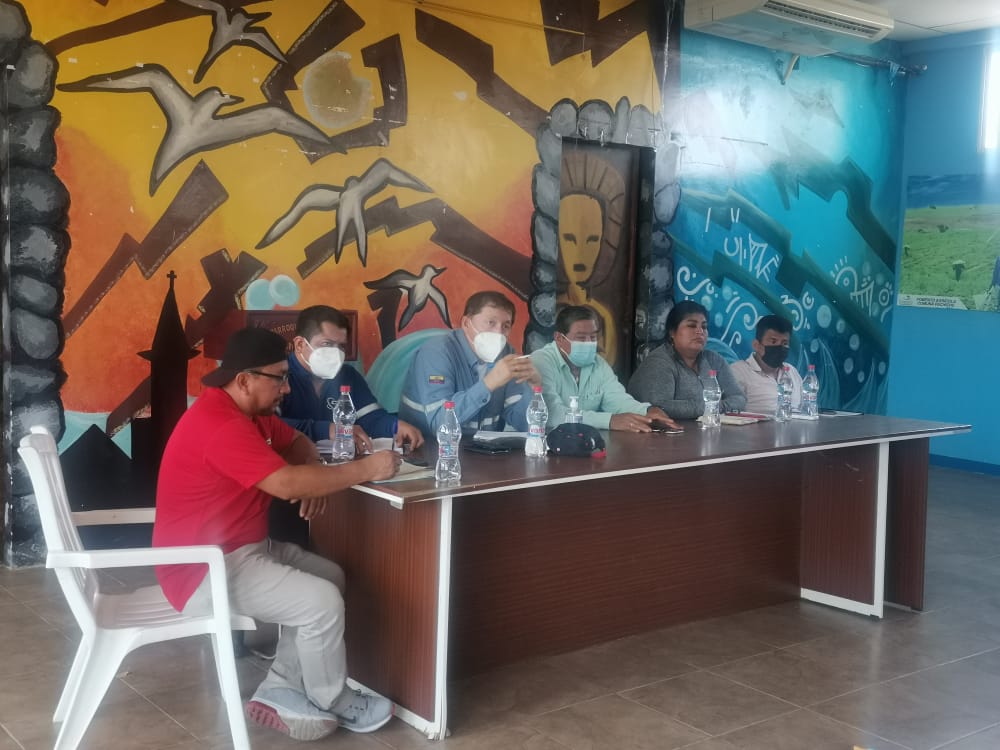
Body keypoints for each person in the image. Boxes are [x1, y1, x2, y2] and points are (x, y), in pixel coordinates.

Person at [153, 327, 402, 742]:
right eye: (279, 378)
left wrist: (313, 476)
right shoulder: (220, 424)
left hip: (240, 551)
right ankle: (333, 699)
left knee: (330, 577)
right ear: (244, 380)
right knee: (321, 602)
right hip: (202, 570)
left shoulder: (251, 415)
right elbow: (285, 485)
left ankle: (282, 687)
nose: (286, 388)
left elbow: (299, 441)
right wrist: (366, 468)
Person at [279, 304, 425, 452]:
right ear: (300, 344)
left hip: (343, 458)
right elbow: (270, 427)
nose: (335, 353)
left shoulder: (347, 375)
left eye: (341, 346)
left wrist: (396, 426)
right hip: (291, 460)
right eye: (326, 344)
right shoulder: (278, 377)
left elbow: (371, 419)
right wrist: (328, 430)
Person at [398, 290, 540, 436]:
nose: (498, 333)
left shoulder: (506, 354)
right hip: (428, 446)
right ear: (466, 323)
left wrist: (534, 389)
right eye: (491, 322)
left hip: (484, 448)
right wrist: (489, 383)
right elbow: (440, 424)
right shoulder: (436, 352)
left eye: (506, 326)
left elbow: (524, 424)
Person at [531, 305, 681, 431]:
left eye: (593, 337)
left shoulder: (598, 363)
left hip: (586, 443)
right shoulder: (540, 362)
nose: (589, 343)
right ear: (559, 338)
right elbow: (552, 415)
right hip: (543, 445)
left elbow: (617, 399)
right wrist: (610, 421)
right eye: (581, 337)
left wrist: (647, 412)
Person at [627, 300, 746, 419]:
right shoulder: (659, 362)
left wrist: (716, 407)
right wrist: (710, 408)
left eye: (704, 327)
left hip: (707, 428)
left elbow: (739, 398)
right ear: (672, 332)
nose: (700, 331)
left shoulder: (714, 360)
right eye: (692, 325)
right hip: (663, 430)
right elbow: (659, 407)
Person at [730, 314, 803, 415]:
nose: (779, 347)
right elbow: (730, 415)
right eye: (773, 341)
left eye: (784, 343)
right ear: (756, 345)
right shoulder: (738, 372)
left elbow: (805, 410)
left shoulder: (792, 372)